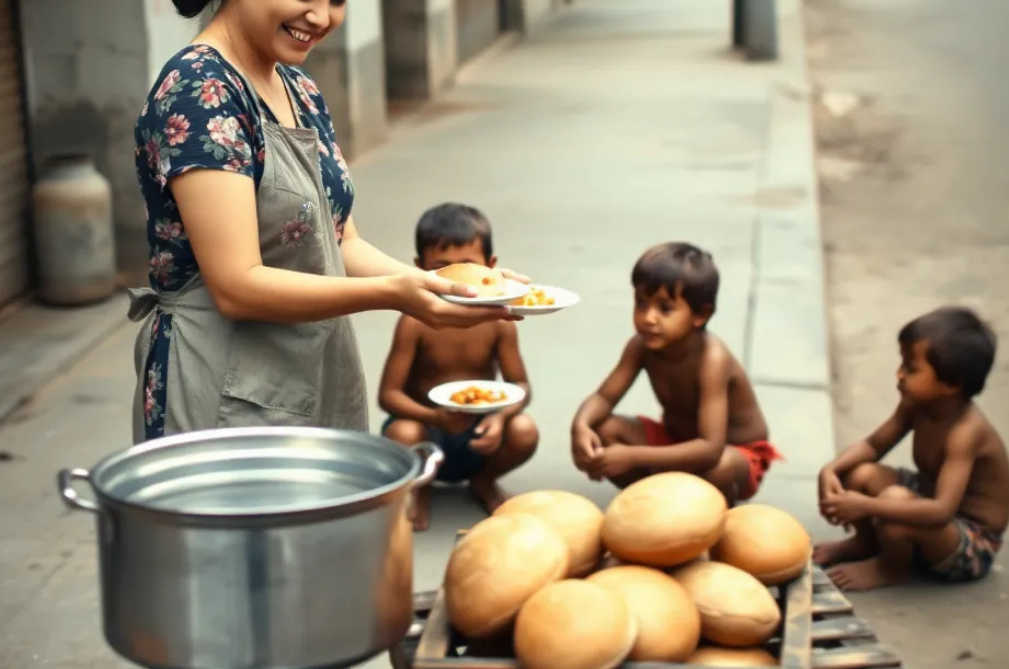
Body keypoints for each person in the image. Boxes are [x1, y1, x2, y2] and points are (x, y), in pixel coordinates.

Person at [131, 0, 524, 445]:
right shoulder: (200, 90)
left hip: (308, 366)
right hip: (220, 384)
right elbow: (237, 285)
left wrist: (453, 286)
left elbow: (343, 244)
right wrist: (394, 296)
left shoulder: (296, 86)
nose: (322, 16)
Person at [570, 242, 781, 504]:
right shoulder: (640, 346)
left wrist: (632, 456)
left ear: (700, 315)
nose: (648, 318)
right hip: (678, 442)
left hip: (735, 455)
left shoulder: (712, 359)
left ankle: (710, 516)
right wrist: (580, 426)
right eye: (641, 304)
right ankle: (655, 505)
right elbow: (603, 398)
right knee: (604, 430)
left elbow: (710, 450)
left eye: (665, 309)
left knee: (720, 468)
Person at [815, 307, 1009, 591]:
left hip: (970, 541)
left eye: (911, 368)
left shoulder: (965, 433)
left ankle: (890, 568)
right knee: (859, 474)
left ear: (952, 383)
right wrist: (830, 469)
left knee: (895, 503)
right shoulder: (915, 404)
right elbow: (873, 444)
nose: (900, 373)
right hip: (927, 497)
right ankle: (867, 543)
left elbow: (942, 510)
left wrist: (864, 505)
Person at [377, 203, 538, 530]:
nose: (458, 279)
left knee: (524, 431)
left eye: (468, 266)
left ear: (491, 267)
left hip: (479, 434)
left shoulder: (499, 321)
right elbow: (389, 396)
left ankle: (484, 480)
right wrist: (434, 417)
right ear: (419, 268)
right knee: (401, 431)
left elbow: (521, 386)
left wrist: (499, 417)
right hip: (427, 431)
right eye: (443, 268)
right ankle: (420, 488)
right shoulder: (414, 321)